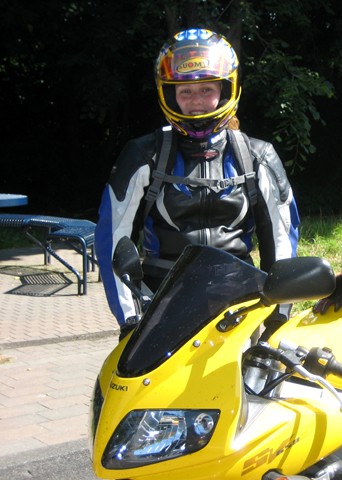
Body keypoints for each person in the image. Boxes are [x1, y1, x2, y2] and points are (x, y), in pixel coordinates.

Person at [95, 28, 300, 335]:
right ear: (170, 94)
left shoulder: (258, 156)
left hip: (239, 306)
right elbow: (113, 237)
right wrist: (130, 320)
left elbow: (282, 241)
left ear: (226, 89)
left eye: (206, 89)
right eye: (186, 92)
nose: (197, 102)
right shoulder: (144, 155)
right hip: (162, 305)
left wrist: (277, 318)